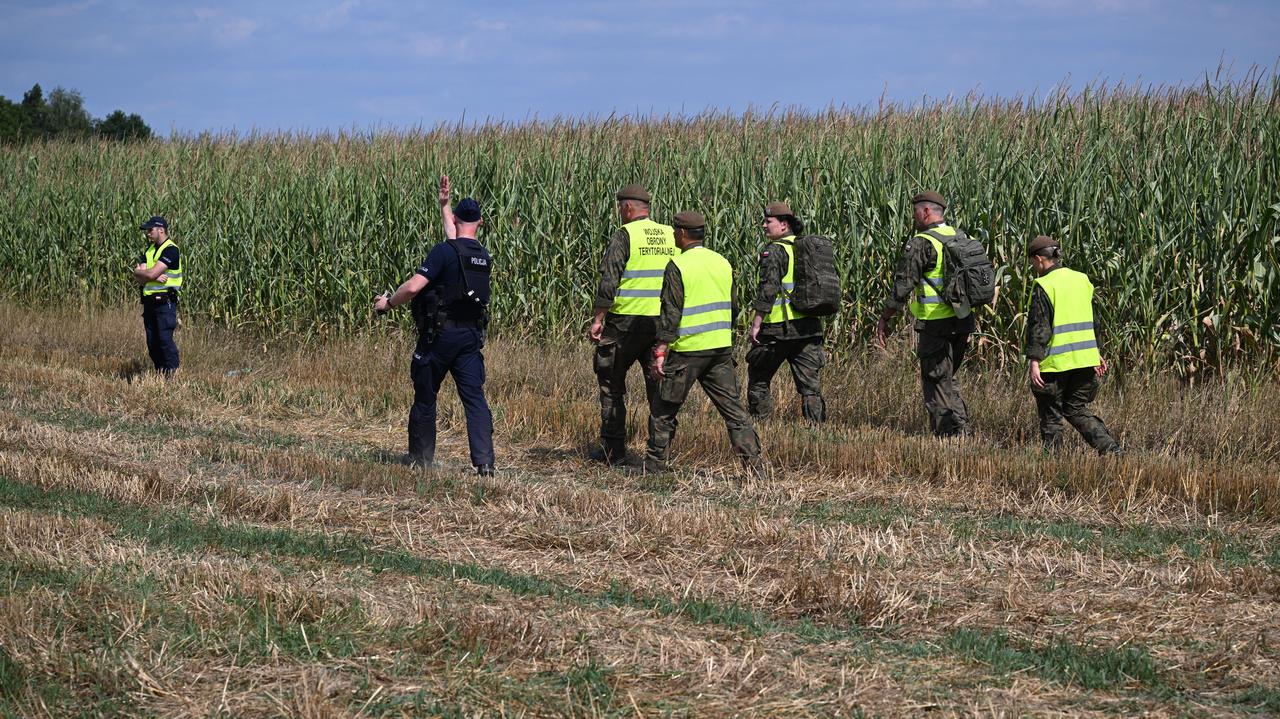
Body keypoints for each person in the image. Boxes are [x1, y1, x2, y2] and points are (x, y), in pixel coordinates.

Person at [374, 175, 496, 476]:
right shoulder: (482, 256)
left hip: (439, 337)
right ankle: (485, 464)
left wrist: (387, 304)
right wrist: (445, 205)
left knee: (426, 397)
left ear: (456, 220)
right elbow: (458, 243)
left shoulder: (444, 251)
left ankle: (421, 458)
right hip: (470, 338)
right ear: (480, 222)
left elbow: (413, 287)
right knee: (475, 400)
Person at [646, 211, 762, 474]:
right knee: (734, 413)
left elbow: (671, 312)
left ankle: (654, 467)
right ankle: (755, 467)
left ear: (682, 233)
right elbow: (733, 307)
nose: (673, 235)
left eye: (675, 231)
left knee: (663, 411)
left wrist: (661, 350)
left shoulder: (678, 265)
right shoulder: (722, 262)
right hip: (719, 350)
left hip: (687, 350)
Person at [587, 183, 677, 464]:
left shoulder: (624, 235)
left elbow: (609, 279)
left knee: (611, 385)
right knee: (659, 389)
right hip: (659, 323)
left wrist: (598, 319)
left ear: (627, 207)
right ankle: (660, 452)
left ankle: (613, 450)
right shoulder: (670, 234)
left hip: (624, 324)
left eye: (619, 207)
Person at [874, 191, 973, 437]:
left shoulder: (922, 242)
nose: (913, 216)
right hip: (963, 321)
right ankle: (961, 431)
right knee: (946, 378)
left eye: (915, 211)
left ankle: (946, 436)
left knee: (935, 380)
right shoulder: (960, 236)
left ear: (926, 211)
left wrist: (885, 317)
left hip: (935, 323)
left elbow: (903, 286)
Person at [1024, 235, 1123, 455]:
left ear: (1039, 259)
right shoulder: (1082, 279)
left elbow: (1039, 327)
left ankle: (1052, 461)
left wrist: (1034, 361)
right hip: (1084, 359)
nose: (1033, 267)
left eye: (1032, 262)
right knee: (1075, 409)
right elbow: (1094, 320)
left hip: (1055, 363)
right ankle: (1112, 450)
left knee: (1051, 416)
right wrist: (1096, 352)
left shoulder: (1045, 284)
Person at [746, 201, 827, 422]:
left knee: (759, 379)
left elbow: (768, 289)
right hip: (808, 327)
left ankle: (762, 424)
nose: (764, 225)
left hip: (778, 329)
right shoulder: (807, 248)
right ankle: (817, 428)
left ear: (784, 224)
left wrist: (756, 323)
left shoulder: (774, 251)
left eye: (768, 221)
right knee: (810, 387)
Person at [131, 215, 182, 375]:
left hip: (165, 302)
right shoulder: (149, 250)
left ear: (161, 230)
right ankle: (161, 374)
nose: (148, 233)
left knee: (164, 340)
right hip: (149, 302)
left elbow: (149, 273)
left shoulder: (171, 250)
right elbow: (141, 277)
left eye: (150, 230)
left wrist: (144, 273)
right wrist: (144, 274)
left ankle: (173, 374)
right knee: (152, 343)